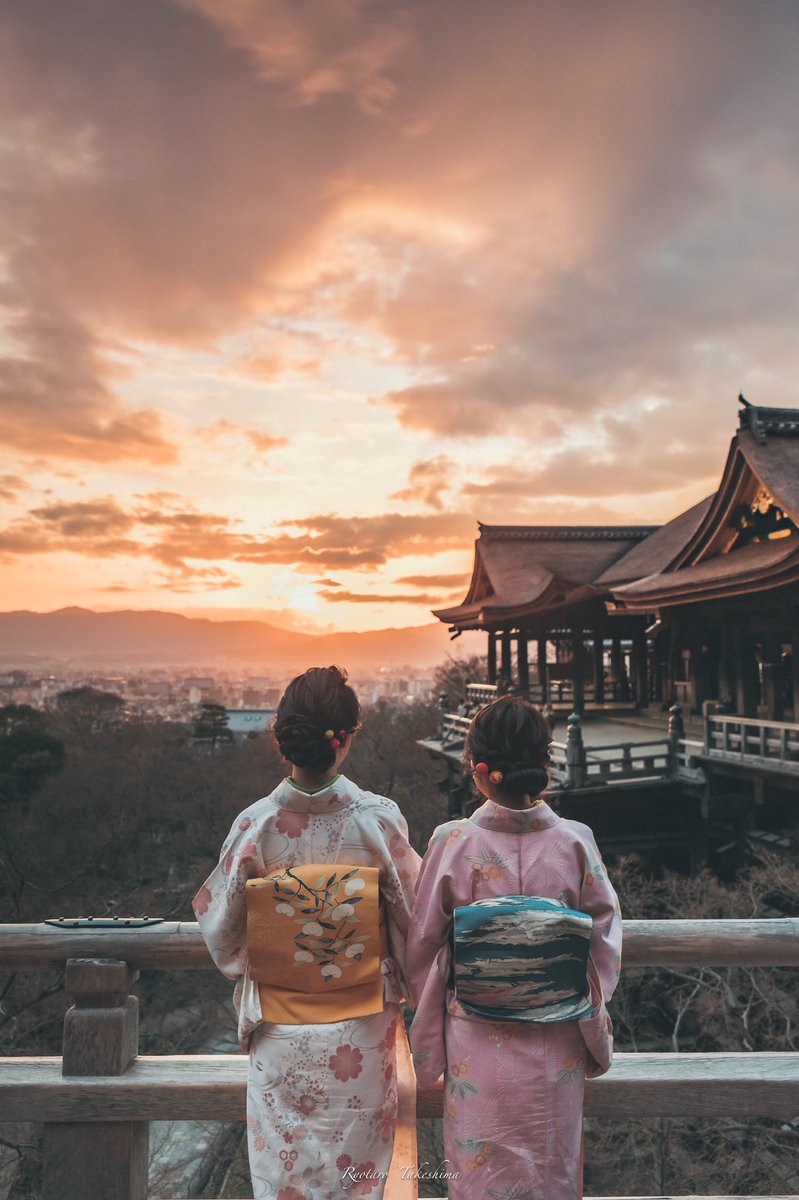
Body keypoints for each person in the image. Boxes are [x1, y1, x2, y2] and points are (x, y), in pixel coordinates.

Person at [193, 665, 421, 1200]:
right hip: (361, 1035)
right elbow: (416, 920)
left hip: (279, 1030)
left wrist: (283, 952)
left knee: (286, 1180)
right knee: (356, 1182)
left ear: (284, 737)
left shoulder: (254, 826)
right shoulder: (379, 821)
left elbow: (222, 932)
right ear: (343, 740)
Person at [407, 695, 621, 1200]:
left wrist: (446, 984)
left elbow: (421, 943)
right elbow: (603, 939)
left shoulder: (451, 841)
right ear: (544, 764)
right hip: (558, 1037)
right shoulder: (575, 841)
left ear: (480, 771)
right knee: (553, 1167)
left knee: (479, 1171)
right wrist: (565, 986)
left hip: (477, 1039)